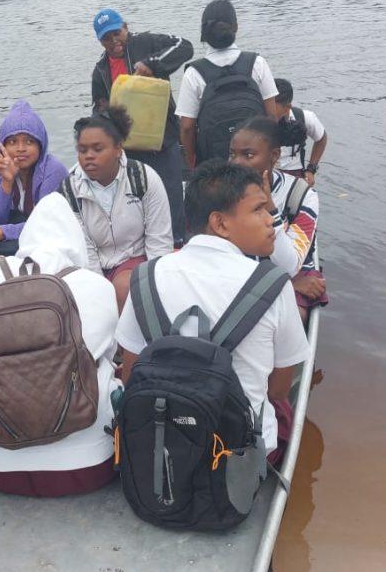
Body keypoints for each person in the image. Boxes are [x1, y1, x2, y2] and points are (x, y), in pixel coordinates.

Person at [116, 162, 308, 458]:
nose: (271, 220)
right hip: (238, 452)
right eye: (258, 210)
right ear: (219, 224)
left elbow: (130, 376)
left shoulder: (144, 276)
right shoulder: (274, 284)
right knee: (282, 409)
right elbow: (278, 391)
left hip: (162, 442)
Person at [0, 193, 120, 496]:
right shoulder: (96, 284)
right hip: (88, 464)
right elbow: (111, 355)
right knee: (109, 369)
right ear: (75, 238)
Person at [91, 8, 192, 246]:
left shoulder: (146, 43)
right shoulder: (100, 71)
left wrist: (153, 64)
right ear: (100, 41)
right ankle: (141, 246)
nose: (114, 40)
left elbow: (184, 46)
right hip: (128, 149)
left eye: (117, 33)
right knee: (136, 201)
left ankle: (177, 243)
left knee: (171, 196)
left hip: (163, 140)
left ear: (125, 27)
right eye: (106, 37)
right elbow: (99, 109)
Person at [61, 106, 173, 309]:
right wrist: (98, 288)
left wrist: (159, 289)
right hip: (91, 266)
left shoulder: (144, 178)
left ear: (118, 148)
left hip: (136, 259)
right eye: (83, 150)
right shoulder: (69, 189)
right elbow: (84, 248)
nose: (88, 156)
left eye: (97, 149)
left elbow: (159, 241)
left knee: (123, 288)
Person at [228, 116, 327, 323]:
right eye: (232, 154)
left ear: (274, 155)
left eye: (248, 155)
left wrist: (270, 209)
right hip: (238, 275)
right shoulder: (221, 190)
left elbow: (289, 266)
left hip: (282, 270)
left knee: (293, 316)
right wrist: (288, 285)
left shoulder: (301, 195)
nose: (236, 163)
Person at [176, 0, 279, 170]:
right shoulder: (257, 63)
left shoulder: (193, 73)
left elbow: (187, 128)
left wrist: (192, 163)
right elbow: (272, 117)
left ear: (204, 32)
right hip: (254, 164)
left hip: (213, 167)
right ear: (236, 27)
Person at [0, 99, 69, 267]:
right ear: (3, 146)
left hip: (53, 241)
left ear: (41, 145)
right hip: (23, 235)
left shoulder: (53, 171)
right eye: (13, 142)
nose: (21, 148)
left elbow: (45, 225)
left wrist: (1, 232)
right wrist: (7, 182)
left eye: (29, 141)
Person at [274, 78, 328, 183]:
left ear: (287, 107)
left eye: (273, 108)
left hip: (294, 174)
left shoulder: (305, 117)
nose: (267, 111)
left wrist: (311, 169)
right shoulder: (257, 118)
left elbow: (321, 138)